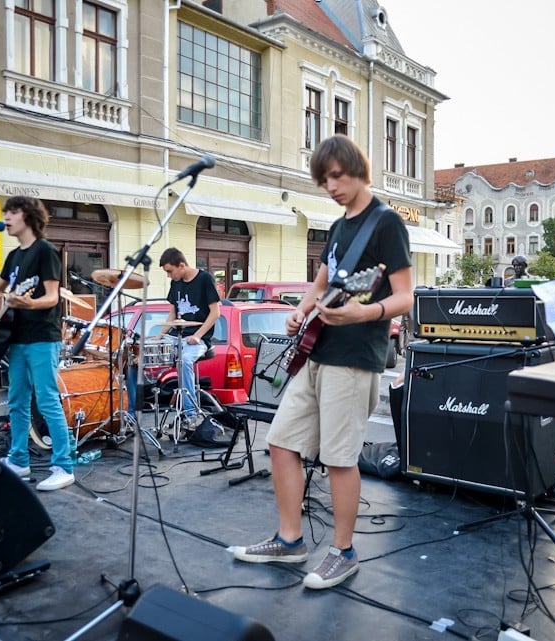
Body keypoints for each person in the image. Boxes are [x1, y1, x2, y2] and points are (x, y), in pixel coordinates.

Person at [233, 134, 414, 589]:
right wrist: (300, 310)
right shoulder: (338, 228)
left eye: (337, 176)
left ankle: (343, 551)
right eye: (323, 179)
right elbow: (321, 283)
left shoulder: (386, 223)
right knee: (280, 443)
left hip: (354, 359)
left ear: (358, 169)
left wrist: (364, 311)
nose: (330, 186)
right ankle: (290, 540)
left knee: (338, 458)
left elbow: (405, 297)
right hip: (318, 353)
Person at [0, 196, 75, 491]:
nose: (6, 217)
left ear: (28, 216)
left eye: (12, 212)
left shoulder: (45, 252)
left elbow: (52, 297)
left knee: (46, 400)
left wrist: (27, 303)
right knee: (17, 400)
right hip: (16, 337)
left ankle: (64, 466)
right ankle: (18, 459)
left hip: (42, 336)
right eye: (5, 212)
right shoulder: (14, 256)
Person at [156, 247, 220, 429]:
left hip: (199, 339)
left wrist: (198, 335)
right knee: (138, 354)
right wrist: (159, 337)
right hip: (177, 336)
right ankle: (131, 414)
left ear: (181, 265)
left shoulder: (204, 279)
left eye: (170, 271)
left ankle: (191, 414)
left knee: (184, 361)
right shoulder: (176, 283)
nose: (169, 276)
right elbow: (173, 314)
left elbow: (215, 313)